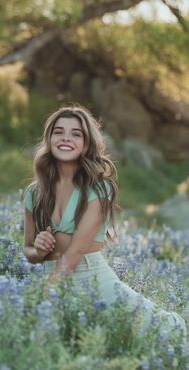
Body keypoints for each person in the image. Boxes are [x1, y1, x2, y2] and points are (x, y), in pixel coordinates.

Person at [23, 104, 186, 338]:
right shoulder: (33, 193)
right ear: (49, 139)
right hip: (51, 277)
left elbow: (76, 251)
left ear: (86, 144)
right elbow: (28, 251)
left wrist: (47, 297)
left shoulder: (99, 188)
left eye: (76, 134)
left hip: (92, 279)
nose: (66, 138)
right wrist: (38, 249)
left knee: (159, 333)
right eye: (58, 131)